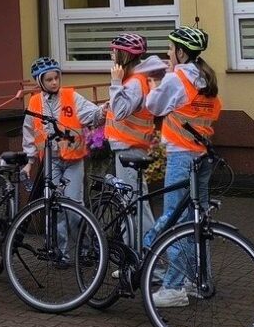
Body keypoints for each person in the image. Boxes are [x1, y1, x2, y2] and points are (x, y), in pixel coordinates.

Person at [141, 26, 223, 309]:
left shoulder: (176, 78)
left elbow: (153, 106)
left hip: (181, 157)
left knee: (175, 221)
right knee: (197, 221)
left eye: (170, 48)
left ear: (180, 52)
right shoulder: (206, 78)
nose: (167, 53)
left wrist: (156, 83)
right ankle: (197, 280)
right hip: (203, 156)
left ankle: (173, 286)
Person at [21, 56, 104, 259]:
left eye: (56, 78)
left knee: (74, 207)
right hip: (51, 161)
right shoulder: (34, 103)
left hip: (73, 160)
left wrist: (104, 110)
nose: (54, 83)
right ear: (40, 81)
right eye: (49, 79)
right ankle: (61, 253)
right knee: (54, 207)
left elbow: (93, 114)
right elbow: (29, 134)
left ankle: (85, 250)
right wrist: (29, 163)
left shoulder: (71, 97)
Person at [104, 34, 168, 239]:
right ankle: (133, 252)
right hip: (128, 147)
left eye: (114, 51)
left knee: (134, 203)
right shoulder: (134, 80)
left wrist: (115, 82)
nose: (111, 54)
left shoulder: (134, 82)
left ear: (123, 55)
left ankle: (148, 252)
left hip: (130, 148)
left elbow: (120, 111)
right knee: (131, 201)